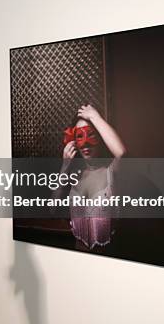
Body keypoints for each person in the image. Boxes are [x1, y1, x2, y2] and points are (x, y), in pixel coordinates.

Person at [57, 104, 126, 250]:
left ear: (101, 137)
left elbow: (122, 155)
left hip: (108, 264)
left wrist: (95, 116)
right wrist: (64, 167)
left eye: (92, 134)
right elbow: (53, 209)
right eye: (80, 136)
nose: (86, 142)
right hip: (77, 262)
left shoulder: (111, 171)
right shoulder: (73, 175)